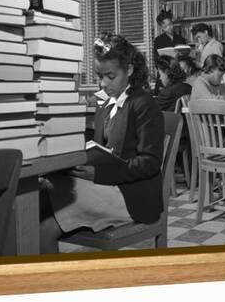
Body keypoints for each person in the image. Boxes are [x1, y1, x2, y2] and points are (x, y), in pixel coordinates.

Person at [39, 33, 165, 253]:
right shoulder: (105, 102)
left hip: (132, 196)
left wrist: (98, 174)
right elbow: (102, 148)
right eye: (99, 76)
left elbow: (150, 162)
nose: (103, 83)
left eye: (110, 76)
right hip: (106, 185)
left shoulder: (144, 104)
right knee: (37, 201)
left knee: (43, 224)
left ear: (129, 71)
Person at [153, 10, 187, 95]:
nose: (170, 27)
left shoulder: (181, 39)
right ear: (162, 28)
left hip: (179, 75)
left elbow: (186, 59)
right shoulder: (158, 40)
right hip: (164, 74)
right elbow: (156, 60)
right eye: (166, 26)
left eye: (171, 24)